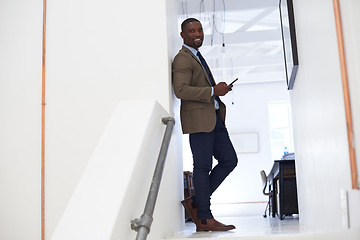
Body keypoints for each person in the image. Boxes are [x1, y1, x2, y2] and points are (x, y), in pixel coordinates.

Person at [172, 18, 238, 232]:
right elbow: (180, 90)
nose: (197, 33)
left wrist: (218, 92)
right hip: (199, 120)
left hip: (214, 117)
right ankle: (204, 217)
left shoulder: (196, 56)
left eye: (199, 29)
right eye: (191, 31)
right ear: (183, 35)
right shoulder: (183, 59)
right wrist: (212, 91)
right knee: (202, 167)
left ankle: (196, 202)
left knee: (229, 160)